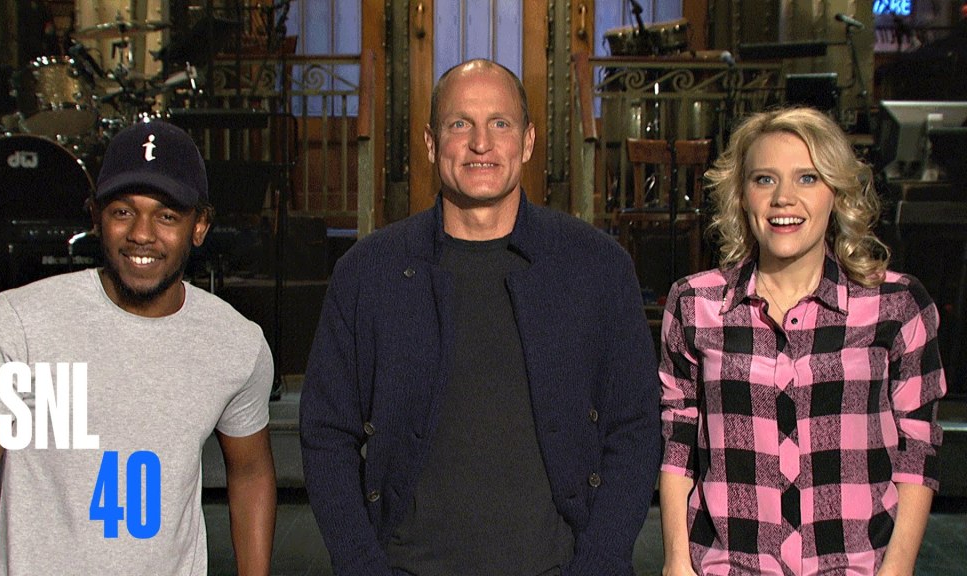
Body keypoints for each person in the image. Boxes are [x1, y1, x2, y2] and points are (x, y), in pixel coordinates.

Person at [299, 59, 661, 576]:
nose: (481, 144)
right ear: (431, 143)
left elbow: (636, 427)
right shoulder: (369, 272)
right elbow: (326, 432)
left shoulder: (597, 267)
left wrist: (600, 562)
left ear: (527, 141)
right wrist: (360, 565)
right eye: (459, 124)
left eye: (500, 123)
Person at [0, 119, 277, 575]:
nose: (141, 233)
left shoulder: (236, 343)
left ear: (199, 225)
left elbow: (251, 473)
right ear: (96, 217)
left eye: (166, 216)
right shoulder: (20, 324)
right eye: (122, 211)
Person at [659, 107, 946, 575]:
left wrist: (897, 569)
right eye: (765, 179)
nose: (784, 198)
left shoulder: (896, 306)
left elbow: (919, 448)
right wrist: (676, 562)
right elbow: (678, 438)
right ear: (742, 195)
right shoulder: (695, 303)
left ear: (837, 191)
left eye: (807, 178)